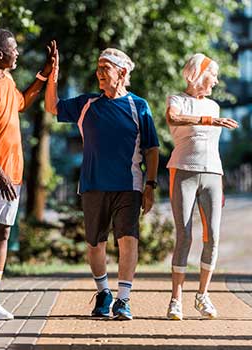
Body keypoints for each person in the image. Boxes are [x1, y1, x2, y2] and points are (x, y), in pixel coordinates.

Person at [45, 47, 159, 321]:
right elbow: (52, 107)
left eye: (105, 68)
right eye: (98, 68)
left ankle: (123, 299)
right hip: (93, 184)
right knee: (95, 245)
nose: (99, 73)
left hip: (127, 186)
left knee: (127, 240)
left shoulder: (138, 106)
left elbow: (152, 149)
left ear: (121, 73)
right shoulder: (88, 104)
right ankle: (104, 292)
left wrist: (151, 185)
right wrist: (54, 76)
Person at [0, 29, 56, 320]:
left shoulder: (8, 80)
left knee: (3, 233)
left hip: (12, 172)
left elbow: (22, 103)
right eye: (13, 49)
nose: (17, 53)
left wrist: (44, 73)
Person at [165, 53, 238, 320]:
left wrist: (221, 182)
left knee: (213, 237)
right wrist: (209, 121)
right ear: (198, 73)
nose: (216, 81)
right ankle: (176, 300)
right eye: (213, 75)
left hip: (212, 175)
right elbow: (174, 118)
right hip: (183, 171)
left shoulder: (214, 106)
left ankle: (202, 296)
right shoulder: (177, 100)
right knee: (184, 236)